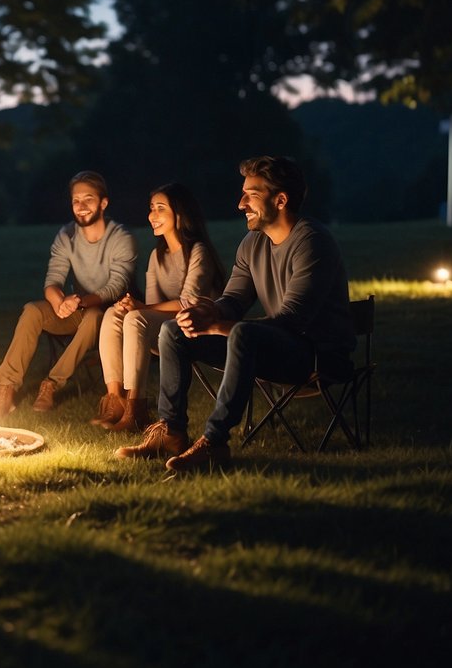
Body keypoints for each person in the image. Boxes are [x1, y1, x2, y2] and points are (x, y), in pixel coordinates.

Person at [115, 156, 354, 472]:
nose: (241, 203)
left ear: (280, 200)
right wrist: (206, 310)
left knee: (242, 332)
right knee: (174, 331)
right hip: (271, 347)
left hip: (316, 356)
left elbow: (293, 320)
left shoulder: (312, 242)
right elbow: (233, 301)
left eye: (251, 194)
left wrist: (219, 325)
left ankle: (214, 442)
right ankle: (171, 432)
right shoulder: (252, 244)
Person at [0, 171, 137, 417]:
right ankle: (6, 387)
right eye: (75, 200)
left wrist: (77, 302)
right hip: (76, 310)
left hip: (113, 315)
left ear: (103, 203)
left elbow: (115, 287)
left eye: (88, 199)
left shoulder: (121, 238)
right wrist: (59, 302)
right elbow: (53, 280)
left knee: (92, 317)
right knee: (32, 310)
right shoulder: (66, 235)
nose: (80, 207)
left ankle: (51, 384)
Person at [93, 183, 225, 432]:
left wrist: (141, 308)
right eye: (151, 208)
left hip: (198, 330)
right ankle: (116, 401)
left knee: (135, 318)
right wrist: (132, 307)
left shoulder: (198, 251)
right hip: (165, 329)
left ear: (179, 213)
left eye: (160, 208)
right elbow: (151, 306)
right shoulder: (157, 256)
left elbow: (189, 303)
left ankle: (136, 409)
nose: (152, 215)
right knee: (113, 313)